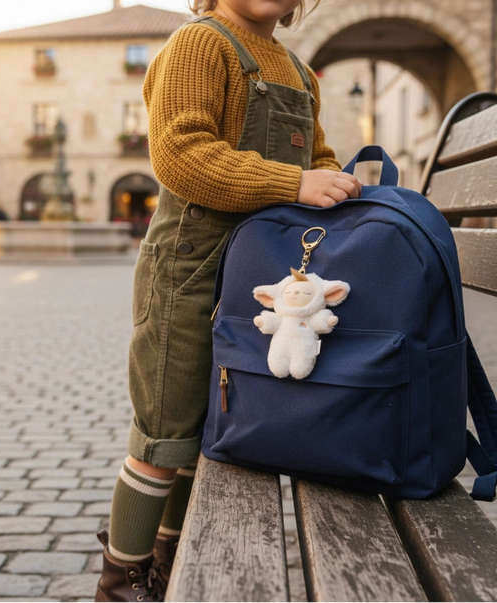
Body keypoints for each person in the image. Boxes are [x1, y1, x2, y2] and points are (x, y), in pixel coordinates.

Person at [94, 0, 362, 600]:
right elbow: (181, 155)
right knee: (165, 431)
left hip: (254, 277)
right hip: (186, 274)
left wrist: (334, 181)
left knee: (210, 421)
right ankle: (120, 579)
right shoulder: (200, 45)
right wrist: (292, 183)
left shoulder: (297, 70)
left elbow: (314, 157)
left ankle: (168, 555)